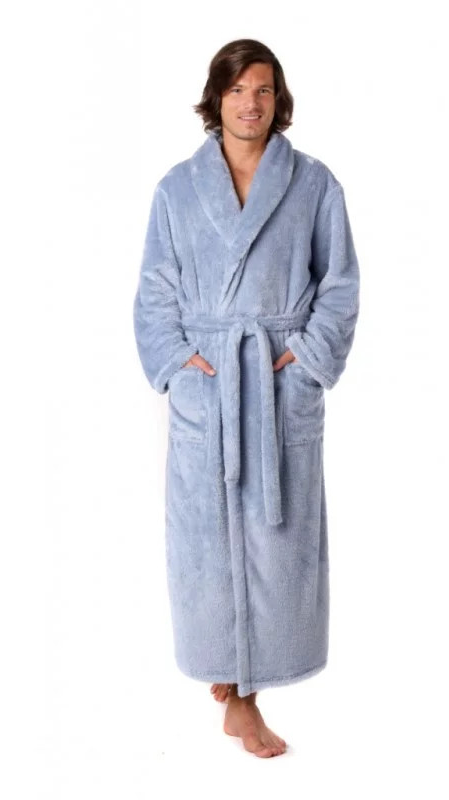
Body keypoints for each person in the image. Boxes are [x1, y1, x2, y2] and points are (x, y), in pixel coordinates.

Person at [133, 38, 360, 757]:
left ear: (278, 98)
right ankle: (234, 694)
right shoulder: (177, 189)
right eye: (236, 90)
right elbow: (154, 292)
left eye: (262, 89)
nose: (250, 103)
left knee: (276, 543)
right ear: (217, 98)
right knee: (206, 546)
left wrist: (306, 359)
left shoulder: (314, 184)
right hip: (210, 390)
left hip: (275, 387)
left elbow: (340, 285)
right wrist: (181, 363)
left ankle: (244, 695)